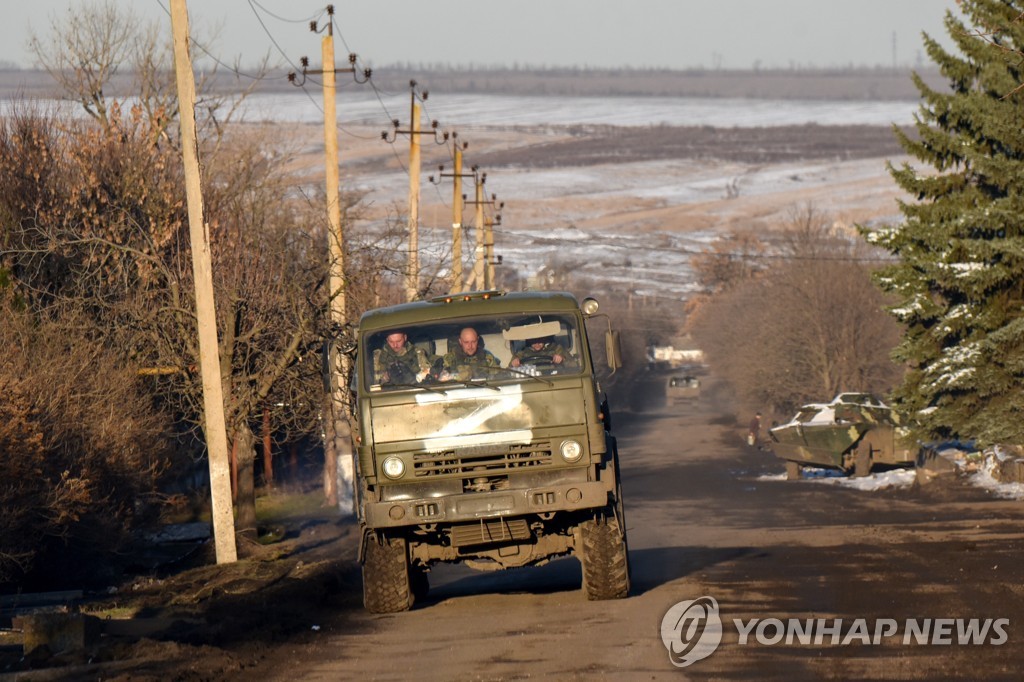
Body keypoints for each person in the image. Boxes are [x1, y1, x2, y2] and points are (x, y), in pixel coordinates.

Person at [509, 336, 576, 369]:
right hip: (530, 382)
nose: (537, 344)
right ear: (529, 341)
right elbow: (509, 370)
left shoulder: (557, 349)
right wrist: (514, 364)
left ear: (545, 339)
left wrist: (562, 360)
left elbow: (574, 366)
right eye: (533, 341)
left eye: (540, 340)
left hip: (555, 380)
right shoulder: (522, 353)